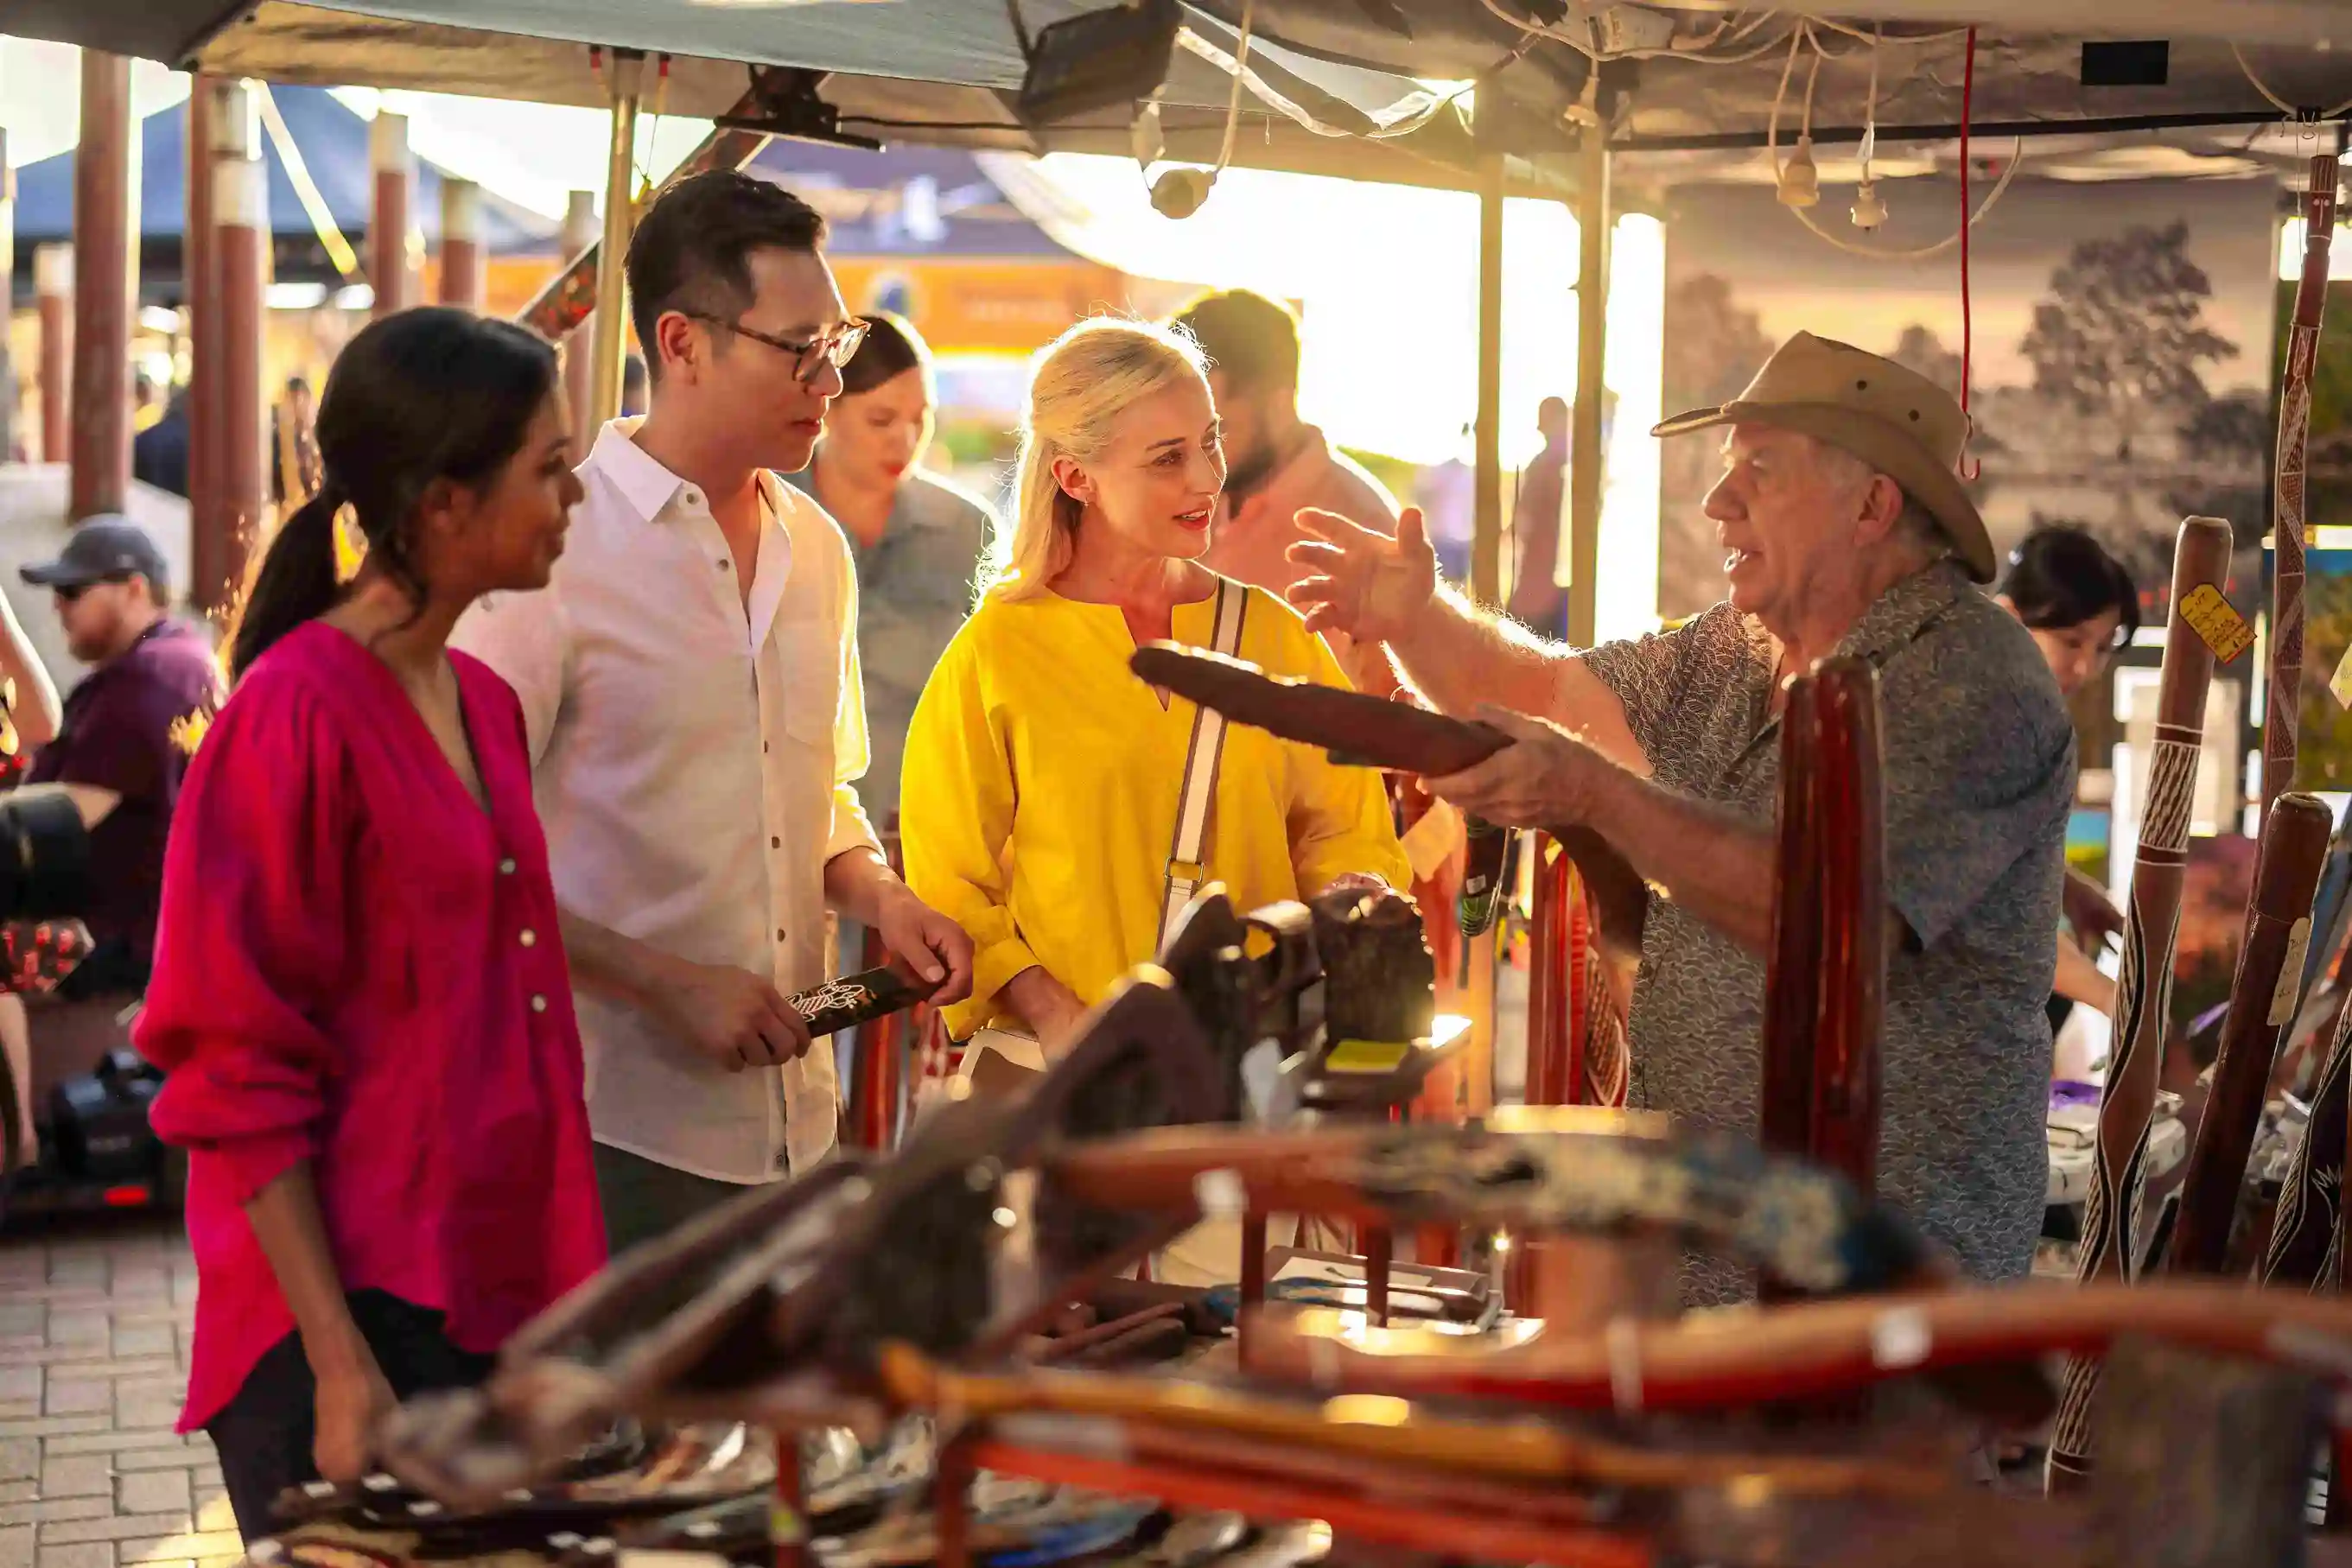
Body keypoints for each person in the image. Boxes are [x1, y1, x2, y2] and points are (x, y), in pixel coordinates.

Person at [1287, 332, 2075, 1299]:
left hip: (1882, 1279)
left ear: (1872, 505)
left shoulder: (1969, 677)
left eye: (1760, 469)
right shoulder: (1736, 647)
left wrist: (1594, 795)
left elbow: (1830, 922)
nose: (1717, 501)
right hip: (1706, 1261)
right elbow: (1541, 691)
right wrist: (1414, 618)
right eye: (1724, 467)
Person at [131, 307, 605, 1541]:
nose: (572, 500)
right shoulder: (293, 715)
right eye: (549, 469)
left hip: (489, 1295)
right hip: (350, 1322)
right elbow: (232, 1062)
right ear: (445, 501)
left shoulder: (485, 699)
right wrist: (338, 1361)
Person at [453, 170, 973, 1256]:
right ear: (682, 344)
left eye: (836, 346)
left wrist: (885, 898)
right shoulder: (548, 551)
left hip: (793, 1119)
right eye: (800, 350)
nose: (826, 381)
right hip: (600, 1127)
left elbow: (817, 786)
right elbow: (452, 855)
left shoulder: (815, 547)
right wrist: (662, 985)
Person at [900, 317, 1410, 1283]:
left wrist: (1341, 938)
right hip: (1065, 1104)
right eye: (1168, 457)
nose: (1206, 478)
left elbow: (1349, 831)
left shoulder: (1272, 635)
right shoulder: (996, 653)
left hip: (1243, 1095)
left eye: (1211, 440)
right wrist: (1060, 1020)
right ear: (1076, 476)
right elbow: (949, 882)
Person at [783, 314, 993, 834]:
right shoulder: (769, 509)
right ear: (826, 409)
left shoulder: (968, 531)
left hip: (920, 830)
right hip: (785, 826)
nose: (905, 440)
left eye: (921, 419)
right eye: (881, 420)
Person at [18, 517, 222, 996]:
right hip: (164, 940)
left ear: (134, 589)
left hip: (126, 950)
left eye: (73, 590)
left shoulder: (148, 678)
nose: (58, 607)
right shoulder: (182, 658)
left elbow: (58, 817)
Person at [1168, 289, 1402, 689]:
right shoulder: (1203, 495)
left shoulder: (1358, 526)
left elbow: (1382, 712)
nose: (1197, 457)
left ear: (1278, 405)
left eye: (1216, 432)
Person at [1996, 524, 2141, 1032]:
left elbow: (2001, 858)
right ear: (2009, 618)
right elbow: (1989, 908)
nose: (2086, 666)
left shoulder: (2029, 718)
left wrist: (2068, 889)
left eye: (2102, 647)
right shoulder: (1976, 720)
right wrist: (2115, 1000)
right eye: (2070, 641)